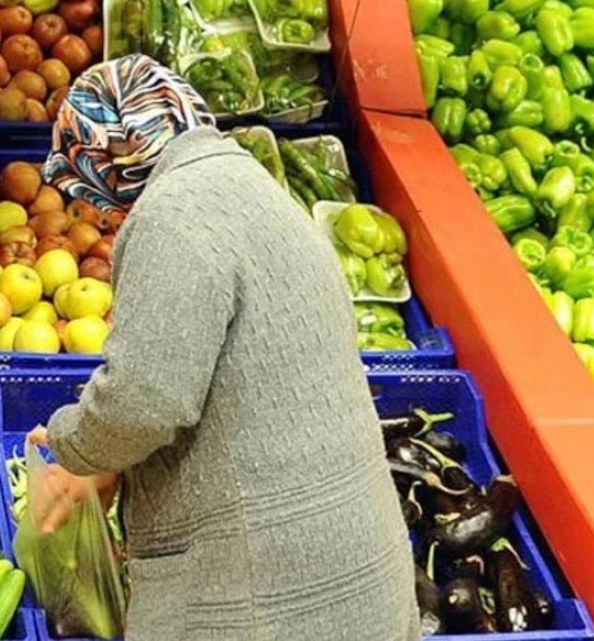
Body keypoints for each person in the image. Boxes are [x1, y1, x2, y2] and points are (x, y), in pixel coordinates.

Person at [27, 53, 420, 641]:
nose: (104, 215)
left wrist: (75, 444)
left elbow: (143, 399)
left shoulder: (173, 214)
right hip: (360, 580)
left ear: (110, 160)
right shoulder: (253, 188)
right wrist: (114, 462)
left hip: (267, 602)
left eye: (94, 190)